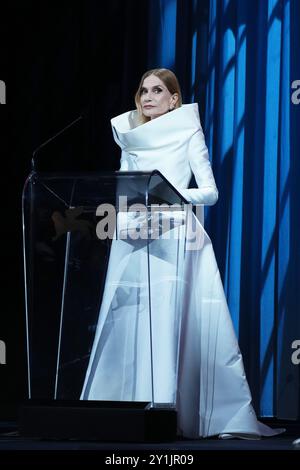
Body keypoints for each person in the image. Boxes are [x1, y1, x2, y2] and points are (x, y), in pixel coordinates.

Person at [81, 68, 284, 439]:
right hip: (133, 234)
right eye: (143, 90)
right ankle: (123, 410)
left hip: (175, 235)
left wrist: (171, 195)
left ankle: (174, 411)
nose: (148, 96)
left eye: (158, 90)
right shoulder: (129, 137)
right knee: (130, 320)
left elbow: (209, 191)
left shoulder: (188, 131)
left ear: (174, 98)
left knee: (170, 321)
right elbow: (124, 185)